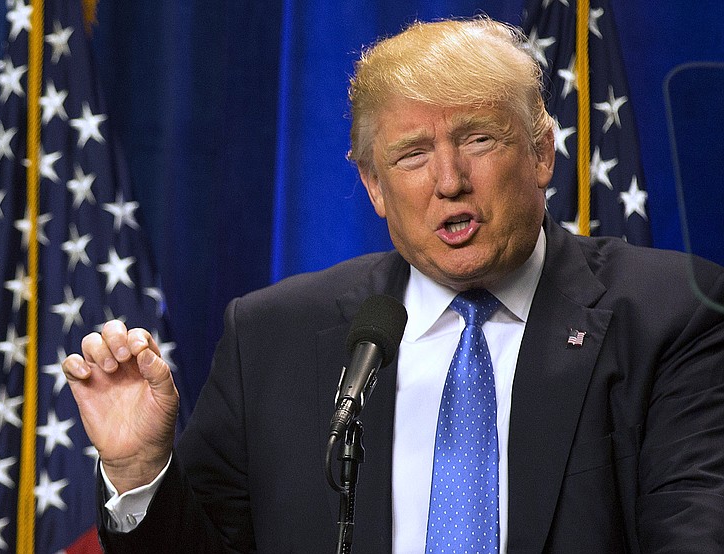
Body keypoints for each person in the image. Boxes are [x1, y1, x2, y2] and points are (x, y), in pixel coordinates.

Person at [62, 17, 724, 553]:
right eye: (412, 154)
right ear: (374, 186)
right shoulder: (273, 337)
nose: (448, 180)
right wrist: (139, 470)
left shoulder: (669, 315)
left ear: (542, 152)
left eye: (479, 139)